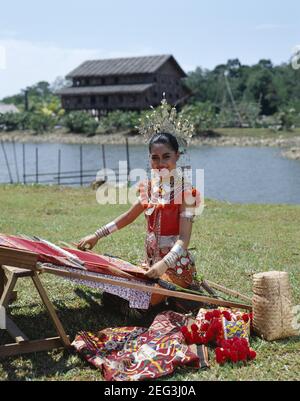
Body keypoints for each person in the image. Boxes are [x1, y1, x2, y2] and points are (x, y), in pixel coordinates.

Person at [78, 131, 201, 308]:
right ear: (150, 159)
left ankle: (155, 299)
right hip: (150, 264)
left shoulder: (186, 193)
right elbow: (128, 217)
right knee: (117, 283)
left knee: (147, 297)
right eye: (155, 158)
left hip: (175, 266)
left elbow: (184, 239)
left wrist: (163, 265)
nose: (161, 164)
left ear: (177, 156)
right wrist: (97, 235)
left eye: (166, 156)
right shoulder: (150, 188)